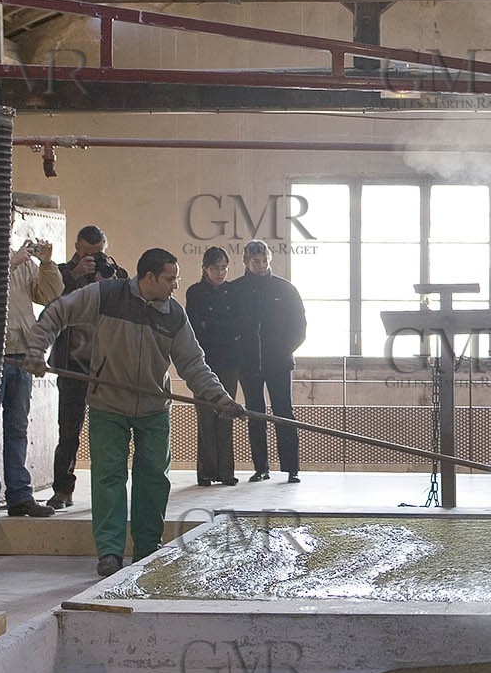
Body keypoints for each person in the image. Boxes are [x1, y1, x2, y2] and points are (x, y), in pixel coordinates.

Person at [25, 248, 237, 578]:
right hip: (107, 403)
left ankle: (146, 549)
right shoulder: (106, 296)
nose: (175, 285)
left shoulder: (174, 315)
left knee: (153, 478)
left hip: (153, 407)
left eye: (176, 278)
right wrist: (36, 350)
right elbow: (56, 312)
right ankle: (109, 552)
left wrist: (219, 398)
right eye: (169, 278)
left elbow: (194, 365)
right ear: (148, 277)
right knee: (109, 477)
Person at [0, 232, 64, 525]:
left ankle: (19, 496)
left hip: (20, 355)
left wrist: (47, 263)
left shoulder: (26, 262)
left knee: (17, 428)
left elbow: (50, 294)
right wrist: (9, 264)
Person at [47, 225, 128, 510]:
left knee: (110, 430)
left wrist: (112, 279)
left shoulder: (115, 273)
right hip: (72, 363)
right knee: (69, 429)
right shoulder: (60, 273)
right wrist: (75, 275)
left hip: (107, 365)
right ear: (77, 247)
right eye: (89, 253)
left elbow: (127, 306)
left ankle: (108, 490)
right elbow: (52, 304)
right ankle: (62, 489)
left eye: (99, 253)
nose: (95, 258)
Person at [229, 239, 306, 484]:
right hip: (248, 364)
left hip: (279, 364)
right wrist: (240, 354)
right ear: (245, 261)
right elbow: (228, 327)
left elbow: (299, 327)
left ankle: (292, 469)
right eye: (255, 261)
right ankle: (261, 468)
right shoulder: (235, 290)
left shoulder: (285, 290)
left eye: (264, 261)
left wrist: (284, 351)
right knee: (255, 415)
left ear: (269, 260)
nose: (261, 265)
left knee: (284, 413)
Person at [186, 246, 240, 486]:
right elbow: (195, 328)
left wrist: (217, 329)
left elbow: (238, 326)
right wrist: (219, 330)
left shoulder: (234, 292)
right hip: (203, 363)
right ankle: (206, 471)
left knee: (226, 413)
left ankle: (226, 471)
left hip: (229, 361)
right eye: (215, 268)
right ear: (204, 269)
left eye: (224, 268)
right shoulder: (195, 292)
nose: (220, 273)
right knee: (206, 416)